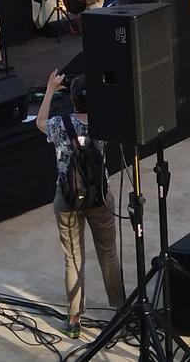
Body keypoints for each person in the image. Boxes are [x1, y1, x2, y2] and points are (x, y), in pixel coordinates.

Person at [35, 70, 125, 339]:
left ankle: (74, 320)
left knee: (73, 259)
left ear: (72, 99)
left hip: (68, 199)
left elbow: (39, 121)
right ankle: (120, 311)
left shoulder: (59, 124)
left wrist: (50, 89)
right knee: (108, 254)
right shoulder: (103, 122)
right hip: (99, 195)